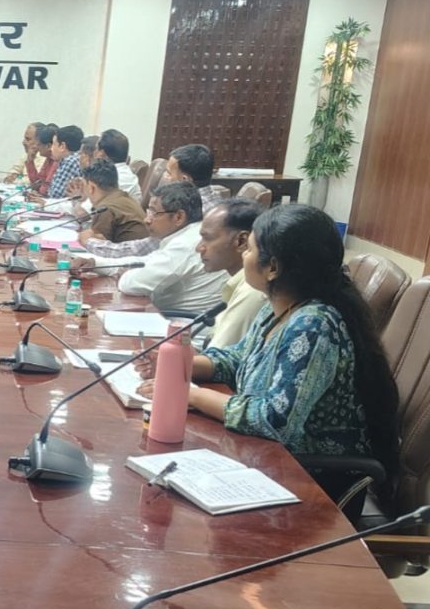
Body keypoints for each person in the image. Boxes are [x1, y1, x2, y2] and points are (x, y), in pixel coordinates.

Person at [144, 204, 399, 496]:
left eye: (250, 249)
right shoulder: (277, 308)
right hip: (269, 461)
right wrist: (181, 362)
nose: (243, 255)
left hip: (314, 481)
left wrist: (192, 395)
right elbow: (239, 359)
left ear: (273, 268)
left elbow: (275, 420)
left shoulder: (313, 325)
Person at [74, 181, 225, 315]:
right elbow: (144, 262)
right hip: (166, 316)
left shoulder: (185, 244)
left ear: (178, 217)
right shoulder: (184, 235)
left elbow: (131, 285)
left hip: (183, 327)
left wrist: (125, 273)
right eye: (148, 211)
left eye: (154, 213)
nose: (147, 220)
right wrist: (95, 263)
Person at [83, 143, 227, 259]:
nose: (164, 177)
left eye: (168, 173)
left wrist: (90, 242)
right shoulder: (219, 205)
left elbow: (144, 250)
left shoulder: (186, 210)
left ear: (184, 180)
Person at [197, 198, 267, 348]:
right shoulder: (240, 281)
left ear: (242, 241)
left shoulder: (252, 291)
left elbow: (216, 357)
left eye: (207, 238)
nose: (199, 248)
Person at [74, 159, 148, 246]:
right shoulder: (124, 198)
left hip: (129, 254)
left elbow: (95, 246)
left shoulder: (105, 209)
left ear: (91, 187)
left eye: (83, 185)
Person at [37, 124, 84, 199]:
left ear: (62, 146)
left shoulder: (70, 162)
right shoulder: (68, 160)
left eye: (54, 144)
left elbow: (56, 195)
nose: (51, 149)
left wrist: (42, 200)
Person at [96, 129, 142, 200]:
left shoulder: (113, 178)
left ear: (101, 154)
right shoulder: (123, 173)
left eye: (96, 149)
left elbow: (86, 207)